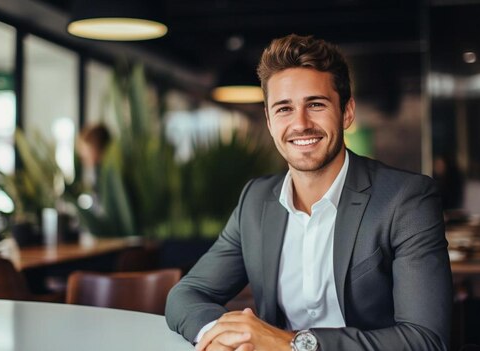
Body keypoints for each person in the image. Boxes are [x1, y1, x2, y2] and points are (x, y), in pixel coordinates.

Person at [165, 34, 452, 351]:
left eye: (315, 104)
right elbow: (186, 295)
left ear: (346, 112)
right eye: (284, 108)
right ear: (270, 120)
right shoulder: (255, 200)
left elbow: (426, 340)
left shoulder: (406, 198)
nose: (300, 124)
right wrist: (224, 335)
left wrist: (293, 344)